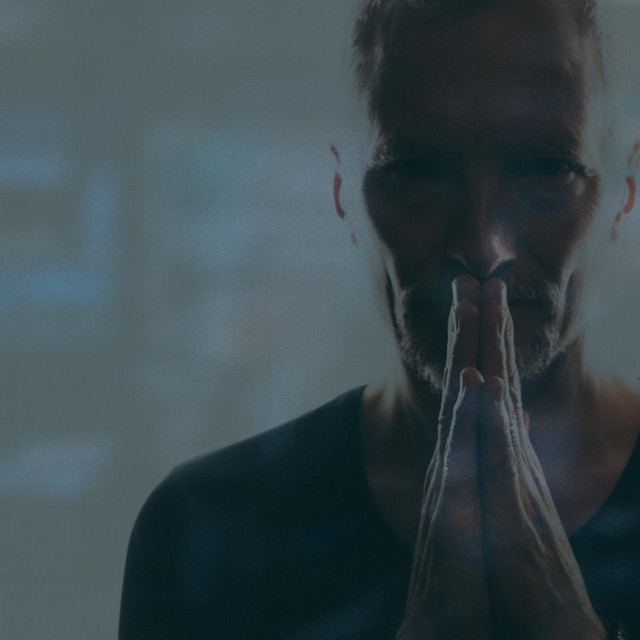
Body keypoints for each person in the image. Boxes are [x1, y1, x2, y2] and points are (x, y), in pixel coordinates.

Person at [119, 1, 640, 638]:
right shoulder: (204, 531)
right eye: (418, 171)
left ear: (624, 186)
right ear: (344, 188)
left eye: (546, 168)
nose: (483, 248)